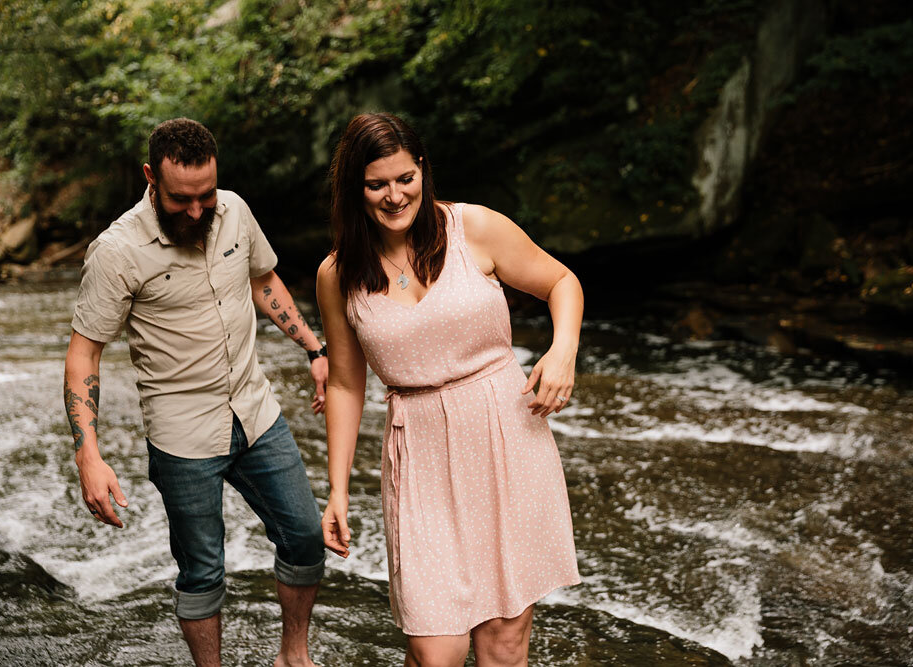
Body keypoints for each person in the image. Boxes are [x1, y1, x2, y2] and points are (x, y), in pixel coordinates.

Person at [316, 112, 582, 666]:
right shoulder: (337, 274)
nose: (394, 196)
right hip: (419, 454)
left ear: (423, 171)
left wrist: (562, 353)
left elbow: (562, 281)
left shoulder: (474, 228)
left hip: (505, 434)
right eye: (377, 184)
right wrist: (336, 489)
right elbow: (344, 382)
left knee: (503, 643)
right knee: (434, 649)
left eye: (405, 178)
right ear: (354, 189)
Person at [64, 118, 329, 667]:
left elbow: (263, 280)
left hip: (254, 412)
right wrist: (88, 453)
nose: (197, 211)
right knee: (203, 569)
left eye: (205, 195)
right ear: (149, 178)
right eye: (181, 199)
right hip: (182, 436)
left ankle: (293, 657)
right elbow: (84, 352)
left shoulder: (234, 210)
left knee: (304, 536)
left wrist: (313, 347)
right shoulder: (117, 252)